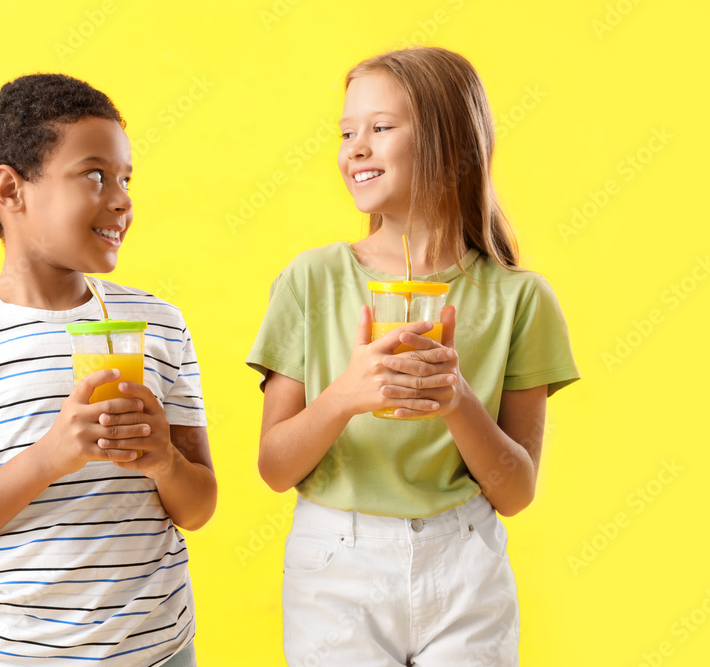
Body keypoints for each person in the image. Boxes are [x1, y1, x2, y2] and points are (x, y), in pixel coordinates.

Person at [247, 47, 579, 665]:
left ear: (451, 147)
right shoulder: (310, 281)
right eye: (347, 132)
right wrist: (348, 393)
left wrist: (456, 401)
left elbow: (516, 490)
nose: (355, 148)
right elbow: (273, 467)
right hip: (335, 565)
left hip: (465, 563)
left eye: (380, 128)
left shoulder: (520, 299)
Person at [0, 74, 215, 667]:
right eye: (94, 175)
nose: (121, 198)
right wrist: (52, 455)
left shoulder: (159, 324)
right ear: (11, 190)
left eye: (125, 178)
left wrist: (164, 461)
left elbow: (198, 507)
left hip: (160, 653)